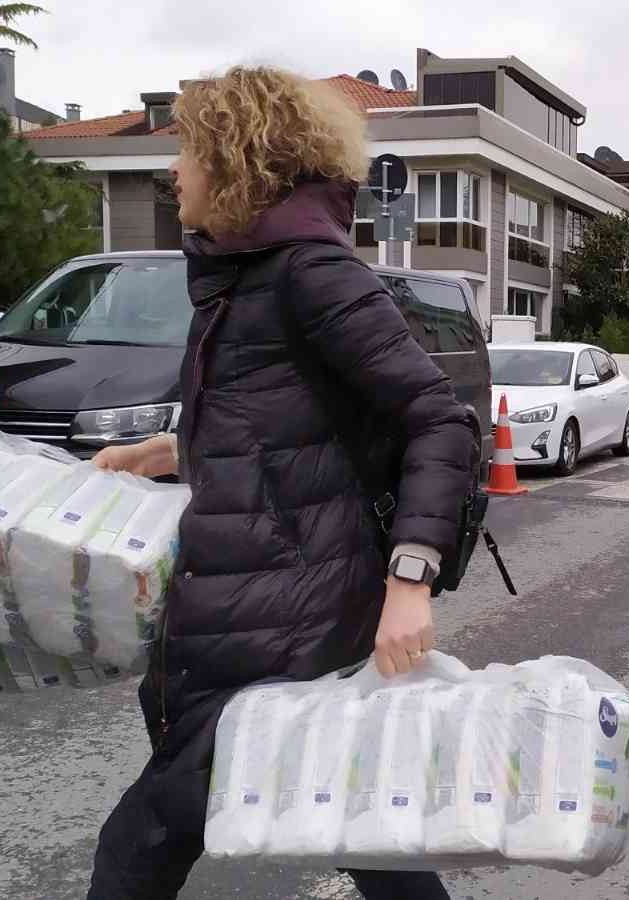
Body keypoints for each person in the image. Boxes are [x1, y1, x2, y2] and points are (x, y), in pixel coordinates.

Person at [84, 67, 477, 900]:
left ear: (237, 159)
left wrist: (411, 579)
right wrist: (167, 452)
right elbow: (280, 436)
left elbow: (438, 421)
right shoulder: (242, 283)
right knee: (361, 826)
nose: (173, 171)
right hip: (258, 606)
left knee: (139, 848)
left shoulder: (312, 275)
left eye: (190, 149)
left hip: (281, 623)